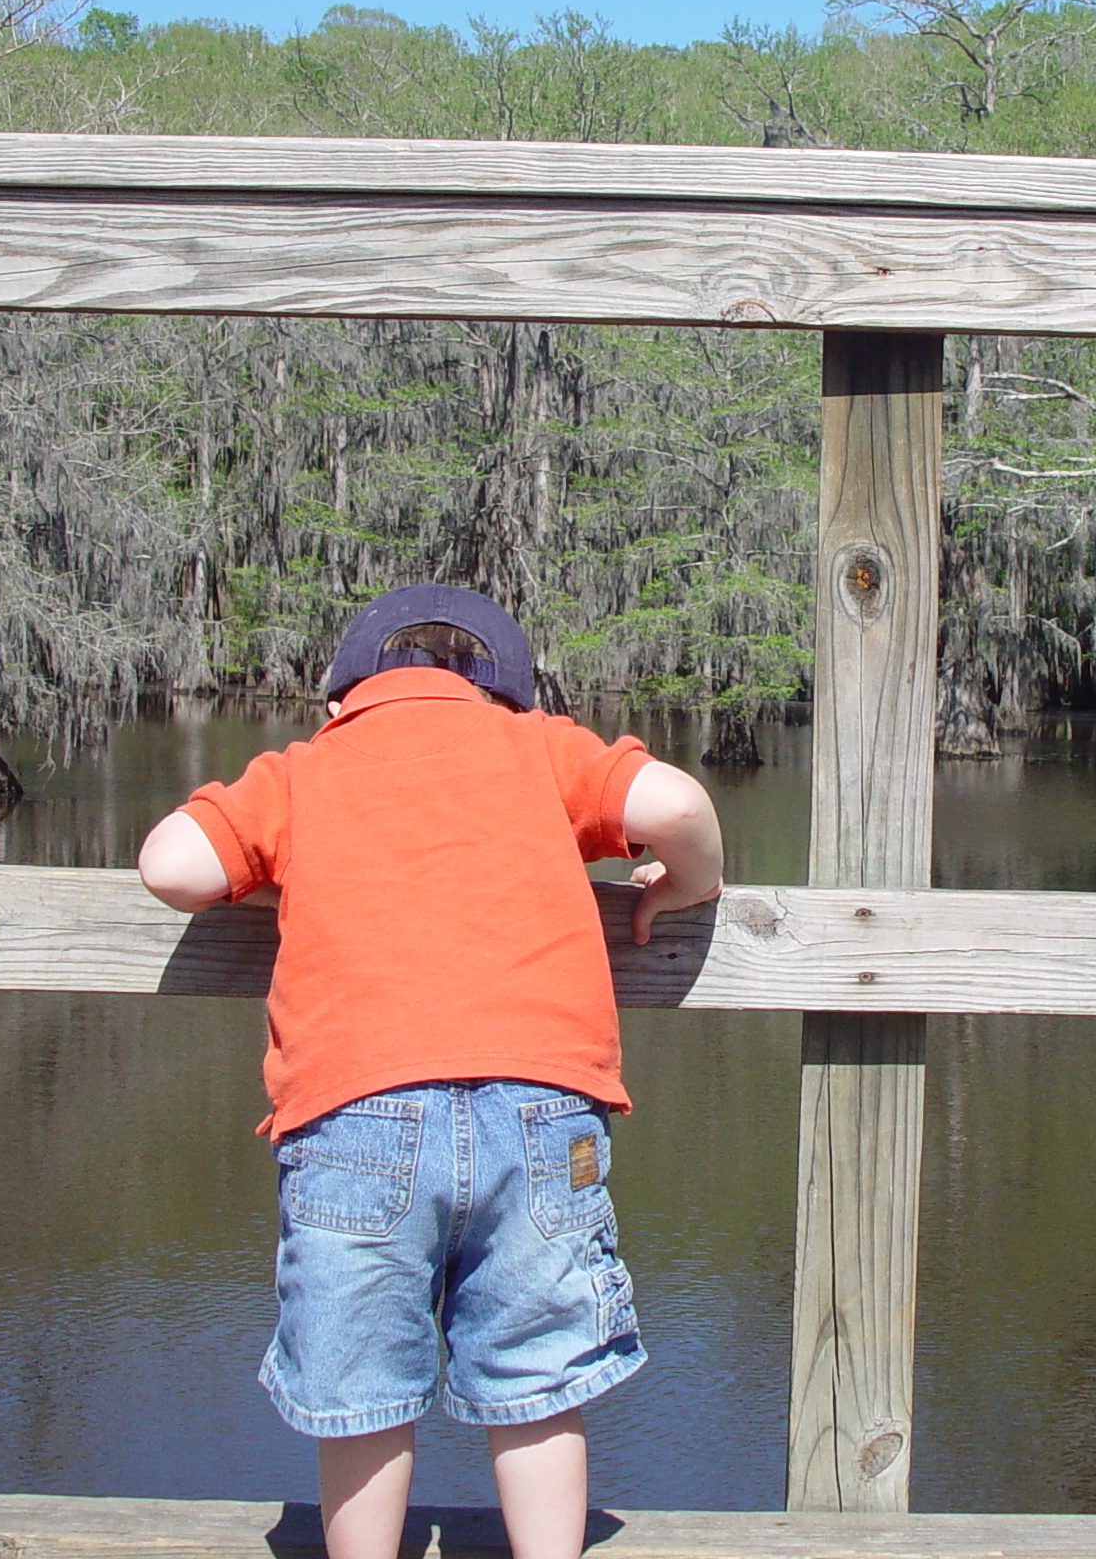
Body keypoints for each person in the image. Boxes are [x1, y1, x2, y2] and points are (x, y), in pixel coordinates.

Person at [136, 584, 723, 1559]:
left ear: (338, 701)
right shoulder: (542, 749)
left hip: (353, 1114)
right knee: (538, 1375)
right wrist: (691, 881)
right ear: (511, 695)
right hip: (543, 1112)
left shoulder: (304, 772)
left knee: (359, 1387)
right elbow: (675, 802)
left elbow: (171, 868)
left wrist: (290, 854)